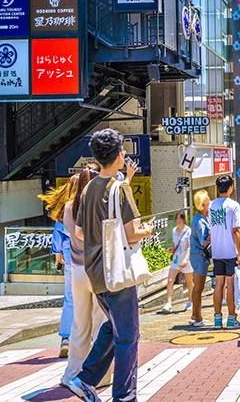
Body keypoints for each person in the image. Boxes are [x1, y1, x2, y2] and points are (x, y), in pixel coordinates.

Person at [65, 128, 153, 402]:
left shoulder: (89, 187)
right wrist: (147, 230)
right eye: (123, 151)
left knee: (112, 327)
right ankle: (124, 397)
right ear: (117, 155)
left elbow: (79, 232)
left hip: (95, 273)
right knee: (128, 337)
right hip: (116, 273)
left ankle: (84, 378)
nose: (124, 154)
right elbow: (131, 233)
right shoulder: (120, 188)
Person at [60, 168, 109, 389]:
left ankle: (72, 373)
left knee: (79, 324)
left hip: (77, 269)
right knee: (101, 322)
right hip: (96, 269)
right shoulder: (98, 205)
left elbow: (72, 234)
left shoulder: (69, 207)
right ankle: (101, 376)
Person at [40, 177, 78, 359]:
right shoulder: (84, 205)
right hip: (86, 256)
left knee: (70, 298)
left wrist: (58, 258)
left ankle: (66, 339)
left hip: (69, 256)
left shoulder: (64, 210)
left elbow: (58, 238)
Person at [209, 175, 240, 329]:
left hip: (217, 251)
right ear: (230, 188)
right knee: (230, 285)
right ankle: (231, 318)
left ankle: (217, 319)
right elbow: (235, 230)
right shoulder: (233, 205)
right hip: (230, 251)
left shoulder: (211, 206)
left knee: (218, 284)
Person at [162, 211, 194, 313]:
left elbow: (189, 246)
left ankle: (191, 300)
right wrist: (172, 249)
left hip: (186, 258)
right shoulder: (174, 231)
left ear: (184, 219)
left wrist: (186, 259)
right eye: (177, 219)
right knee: (170, 279)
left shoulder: (188, 230)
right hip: (176, 257)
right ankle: (169, 303)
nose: (179, 221)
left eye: (180, 219)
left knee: (189, 281)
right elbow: (175, 244)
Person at [189, 191, 211, 327]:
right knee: (199, 287)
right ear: (203, 205)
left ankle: (195, 314)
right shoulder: (199, 221)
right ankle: (198, 318)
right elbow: (204, 241)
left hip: (197, 255)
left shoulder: (200, 218)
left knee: (197, 287)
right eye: (208, 201)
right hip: (199, 256)